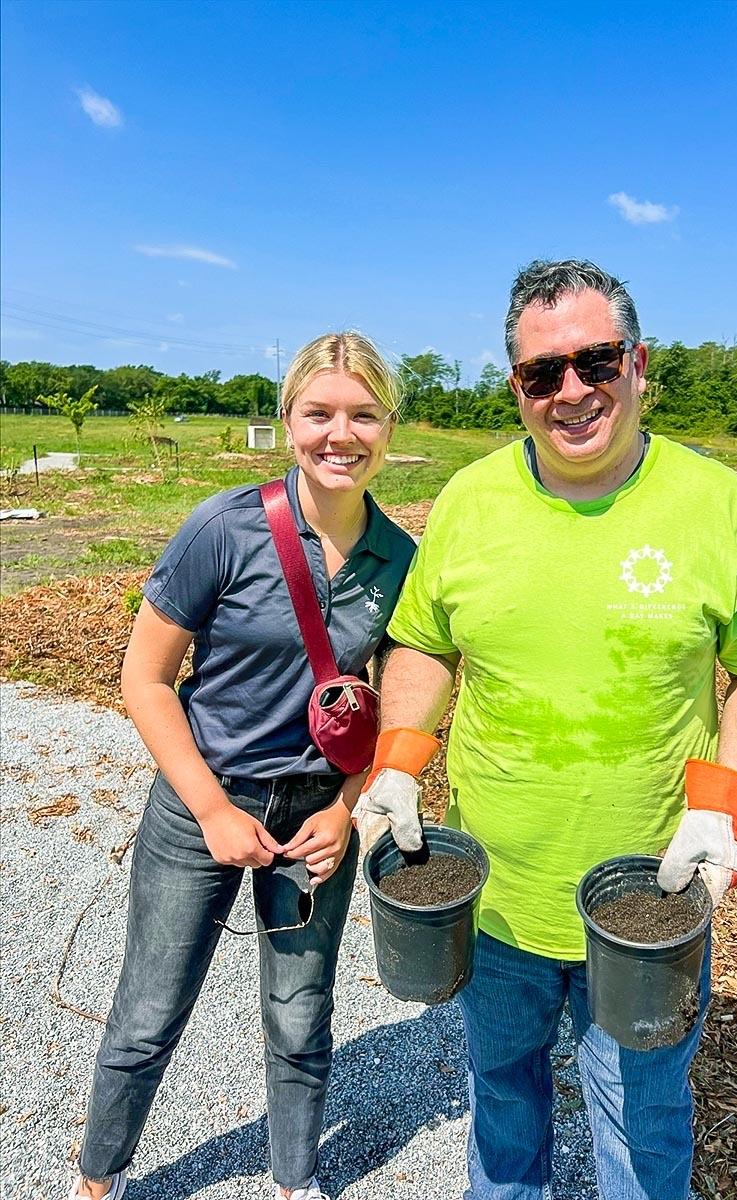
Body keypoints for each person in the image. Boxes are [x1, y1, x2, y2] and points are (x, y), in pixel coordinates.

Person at [353, 260, 737, 1200]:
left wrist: (721, 809)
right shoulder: (470, 502)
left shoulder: (716, 502)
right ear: (516, 387)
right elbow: (424, 646)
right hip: (494, 894)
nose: (571, 391)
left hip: (649, 898)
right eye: (541, 373)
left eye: (595, 361)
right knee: (505, 1103)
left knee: (641, 1122)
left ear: (638, 364)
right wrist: (397, 765)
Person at [70, 333, 415, 1200]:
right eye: (320, 412)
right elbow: (144, 679)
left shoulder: (402, 562)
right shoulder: (225, 528)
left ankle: (294, 1181)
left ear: (390, 425)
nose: (342, 434)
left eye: (363, 414)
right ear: (287, 419)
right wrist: (213, 811)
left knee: (299, 1015)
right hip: (202, 803)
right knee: (150, 1012)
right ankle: (97, 1180)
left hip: (315, 819)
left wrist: (347, 808)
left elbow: (385, 708)